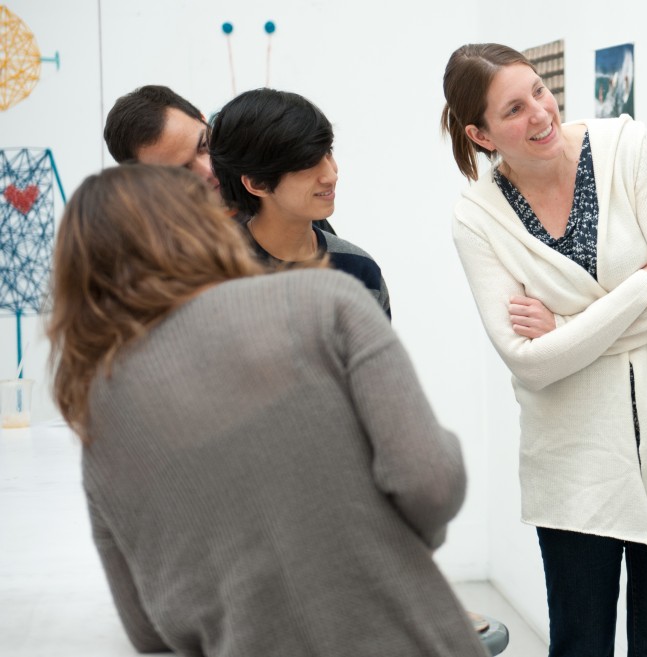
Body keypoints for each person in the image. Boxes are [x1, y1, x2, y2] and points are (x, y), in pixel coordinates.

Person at [45, 164, 486, 657]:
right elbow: (432, 482)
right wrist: (392, 547)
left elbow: (147, 629)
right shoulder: (329, 299)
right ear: (201, 227)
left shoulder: (101, 417)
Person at [441, 43, 647, 657]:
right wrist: (639, 285)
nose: (540, 114)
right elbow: (528, 360)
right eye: (514, 109)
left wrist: (567, 327)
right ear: (480, 133)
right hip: (575, 467)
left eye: (539, 93)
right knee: (579, 645)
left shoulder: (628, 148)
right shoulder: (477, 216)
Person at [209, 88, 391, 318]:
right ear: (257, 183)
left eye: (328, 152)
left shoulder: (359, 269)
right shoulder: (216, 277)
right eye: (307, 163)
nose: (331, 175)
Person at [102, 84, 336, 234]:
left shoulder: (280, 194)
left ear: (205, 120)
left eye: (204, 145)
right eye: (181, 172)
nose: (209, 170)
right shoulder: (160, 258)